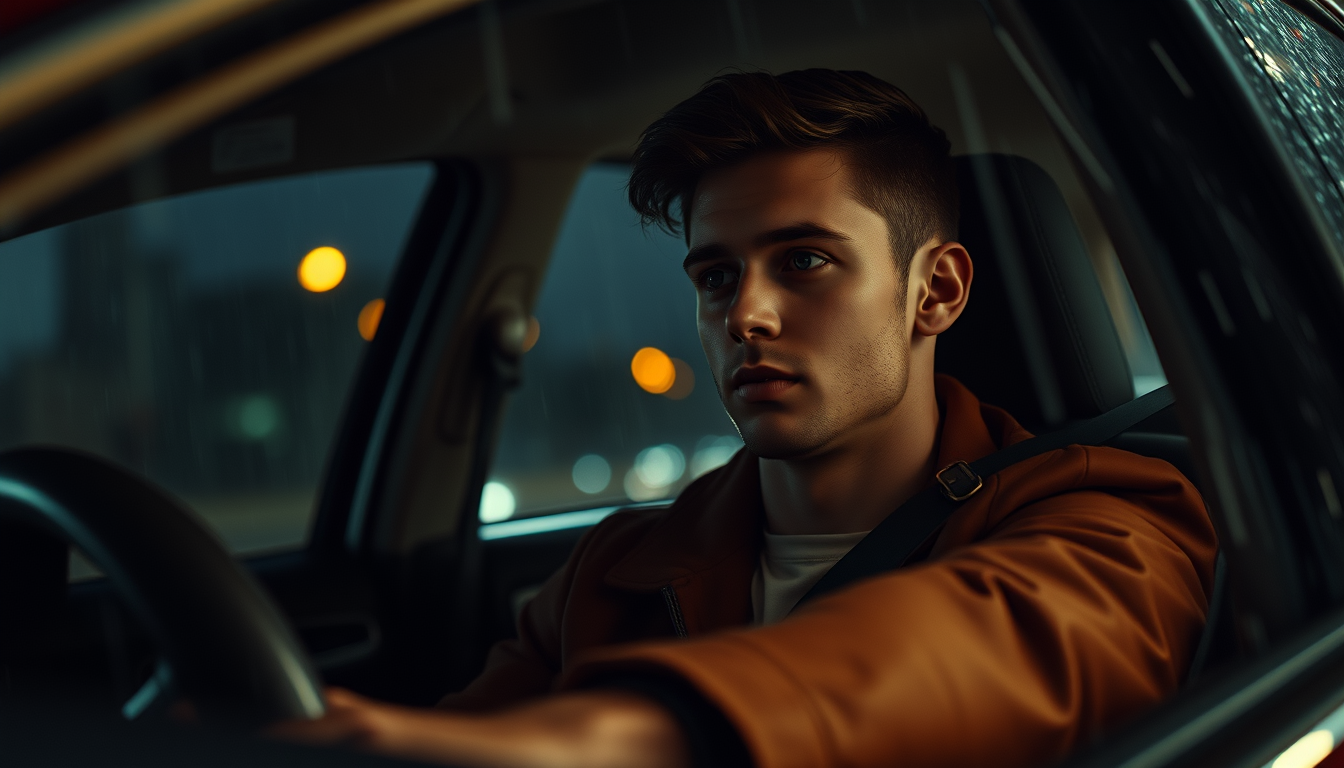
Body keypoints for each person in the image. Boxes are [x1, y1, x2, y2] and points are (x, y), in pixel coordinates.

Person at [276, 69, 1217, 768]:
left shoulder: (1107, 517)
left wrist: (627, 734)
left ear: (935, 291)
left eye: (803, 261)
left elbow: (1004, 645)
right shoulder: (615, 569)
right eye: (717, 276)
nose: (746, 314)